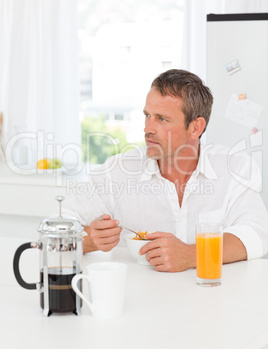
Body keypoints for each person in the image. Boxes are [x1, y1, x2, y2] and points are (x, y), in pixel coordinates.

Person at [63, 69, 268, 272]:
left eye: (162, 119)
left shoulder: (234, 168)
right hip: (139, 299)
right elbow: (60, 223)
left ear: (195, 128)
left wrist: (192, 254)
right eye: (147, 115)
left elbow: (256, 233)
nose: (147, 128)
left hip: (212, 298)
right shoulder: (118, 171)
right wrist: (90, 239)